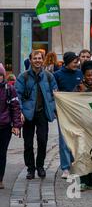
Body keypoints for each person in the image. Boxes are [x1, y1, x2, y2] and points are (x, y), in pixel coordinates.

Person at [15, 50, 58, 180]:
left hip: (42, 114)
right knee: (28, 144)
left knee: (43, 141)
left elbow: (55, 94)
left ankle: (40, 166)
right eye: (35, 58)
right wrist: (20, 112)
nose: (38, 60)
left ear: (43, 60)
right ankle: (30, 169)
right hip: (28, 115)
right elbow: (18, 96)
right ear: (31, 60)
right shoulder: (23, 77)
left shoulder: (49, 76)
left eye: (40, 58)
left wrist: (53, 109)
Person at [53, 52, 83, 179]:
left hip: (78, 112)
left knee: (76, 139)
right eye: (74, 62)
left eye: (77, 62)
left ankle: (74, 162)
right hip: (63, 112)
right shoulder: (57, 75)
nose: (77, 64)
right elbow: (54, 93)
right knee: (64, 140)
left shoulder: (80, 74)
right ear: (67, 62)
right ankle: (65, 168)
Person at [73, 60, 92, 191]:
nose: (90, 78)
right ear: (84, 76)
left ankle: (90, 179)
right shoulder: (78, 88)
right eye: (88, 75)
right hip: (80, 125)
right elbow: (71, 103)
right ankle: (83, 180)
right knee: (81, 153)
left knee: (91, 153)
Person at [0, 64, 23, 189]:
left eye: (0, 75)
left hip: (4, 127)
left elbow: (15, 108)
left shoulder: (9, 89)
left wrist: (16, 125)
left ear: (4, 76)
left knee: (2, 153)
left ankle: (0, 179)